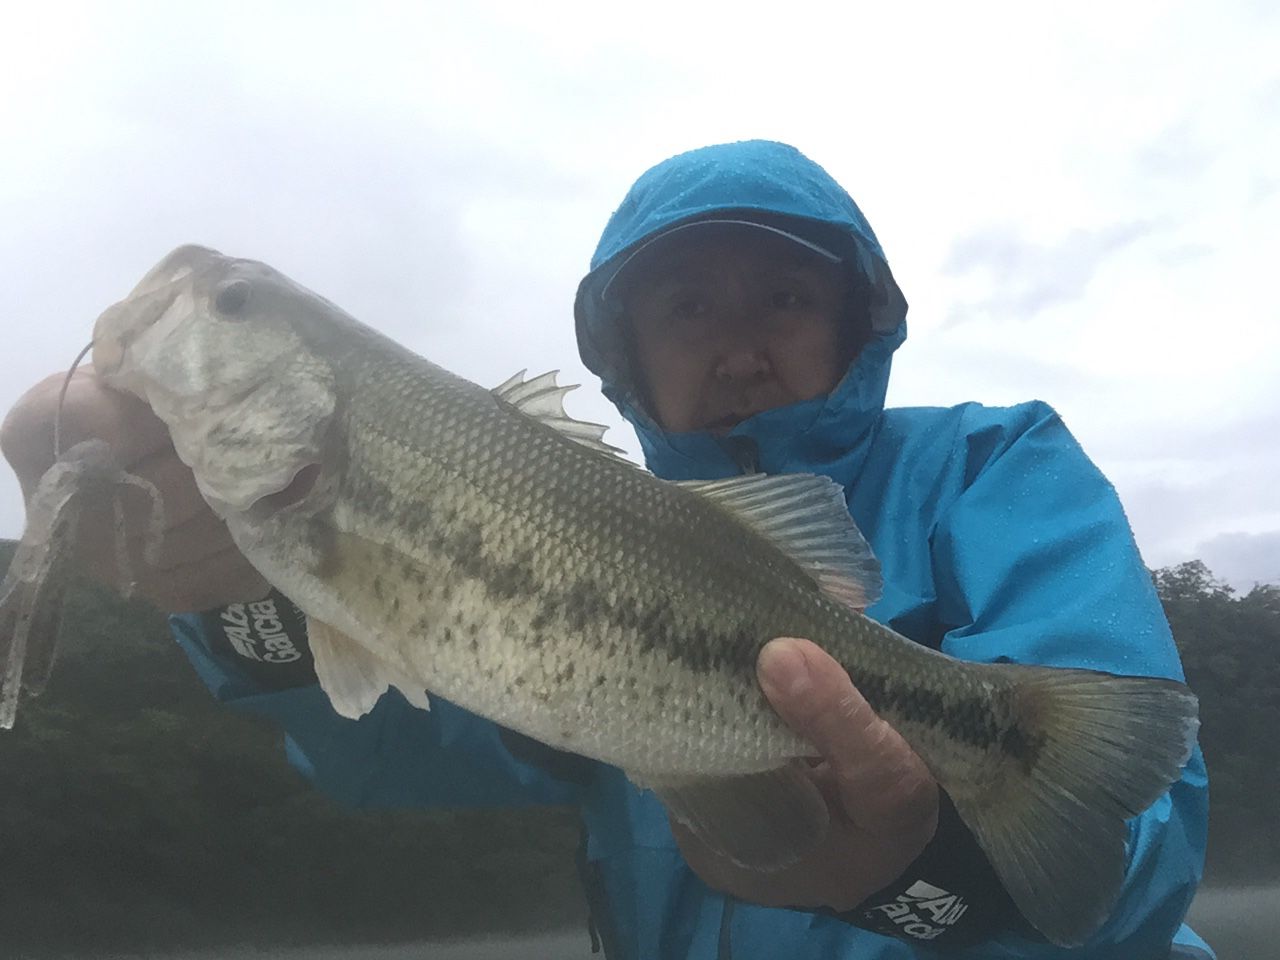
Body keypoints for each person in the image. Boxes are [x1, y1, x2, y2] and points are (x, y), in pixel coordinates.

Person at [1, 140, 1213, 958]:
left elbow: (1134, 863)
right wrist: (233, 605)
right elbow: (394, 743)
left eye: (781, 300)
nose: (736, 345)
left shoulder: (991, 466)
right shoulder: (571, 510)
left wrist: (915, 865)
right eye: (688, 307)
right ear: (624, 348)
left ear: (857, 320)